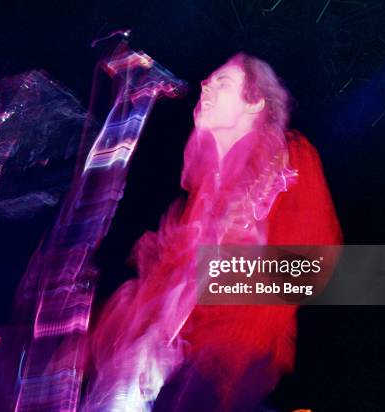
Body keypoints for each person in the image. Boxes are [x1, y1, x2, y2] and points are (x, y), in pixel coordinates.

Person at [88, 53, 342, 411]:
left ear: (255, 103)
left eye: (222, 82)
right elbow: (154, 296)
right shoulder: (200, 200)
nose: (205, 86)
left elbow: (314, 267)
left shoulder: (290, 156)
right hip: (159, 380)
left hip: (221, 372)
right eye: (206, 81)